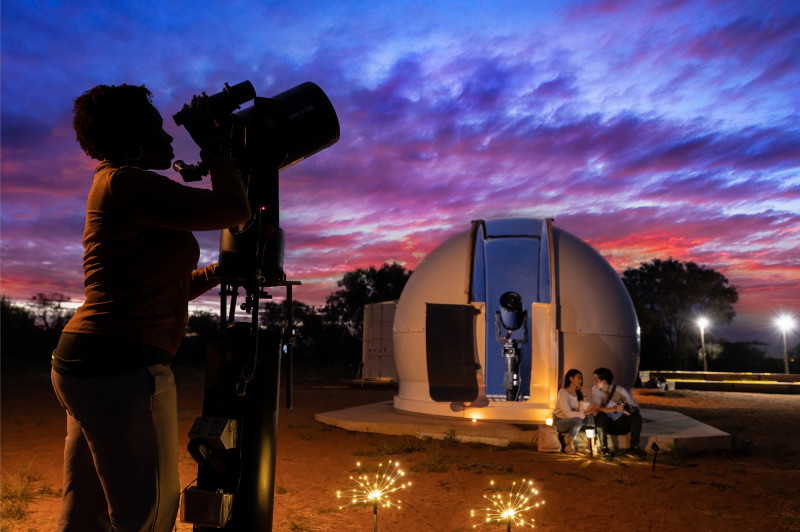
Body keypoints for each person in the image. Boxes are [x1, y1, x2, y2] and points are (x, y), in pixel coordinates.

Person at [50, 84, 251, 531]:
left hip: (90, 363)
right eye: (158, 129)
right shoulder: (126, 181)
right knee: (149, 512)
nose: (169, 139)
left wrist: (218, 272)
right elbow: (234, 208)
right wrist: (215, 144)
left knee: (87, 509)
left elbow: (162, 289)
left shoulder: (118, 184)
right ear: (132, 140)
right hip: (124, 369)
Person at [590, 367, 645, 460]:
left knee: (637, 417)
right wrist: (614, 408)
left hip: (621, 424)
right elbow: (597, 408)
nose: (594, 381)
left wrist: (627, 410)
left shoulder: (620, 390)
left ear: (603, 381)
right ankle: (604, 449)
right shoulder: (595, 390)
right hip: (607, 424)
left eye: (596, 379)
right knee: (599, 415)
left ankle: (633, 448)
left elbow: (636, 407)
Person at [552, 369, 590, 454]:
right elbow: (567, 413)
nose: (581, 380)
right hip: (560, 421)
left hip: (573, 421)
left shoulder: (577, 393)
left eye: (581, 378)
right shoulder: (563, 392)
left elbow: (583, 411)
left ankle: (590, 445)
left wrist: (583, 394)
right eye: (579, 378)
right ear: (571, 379)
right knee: (579, 419)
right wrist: (582, 414)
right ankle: (568, 445)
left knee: (586, 418)